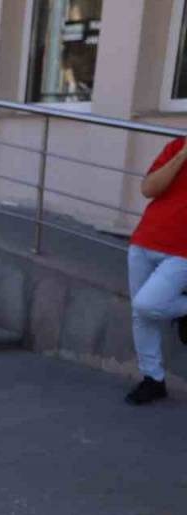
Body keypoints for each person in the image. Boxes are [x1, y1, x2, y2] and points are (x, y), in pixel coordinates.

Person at [123, 135, 187, 405]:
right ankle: (153, 379)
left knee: (146, 304)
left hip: (182, 251)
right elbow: (149, 188)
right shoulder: (177, 146)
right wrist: (184, 153)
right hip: (145, 240)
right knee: (141, 315)